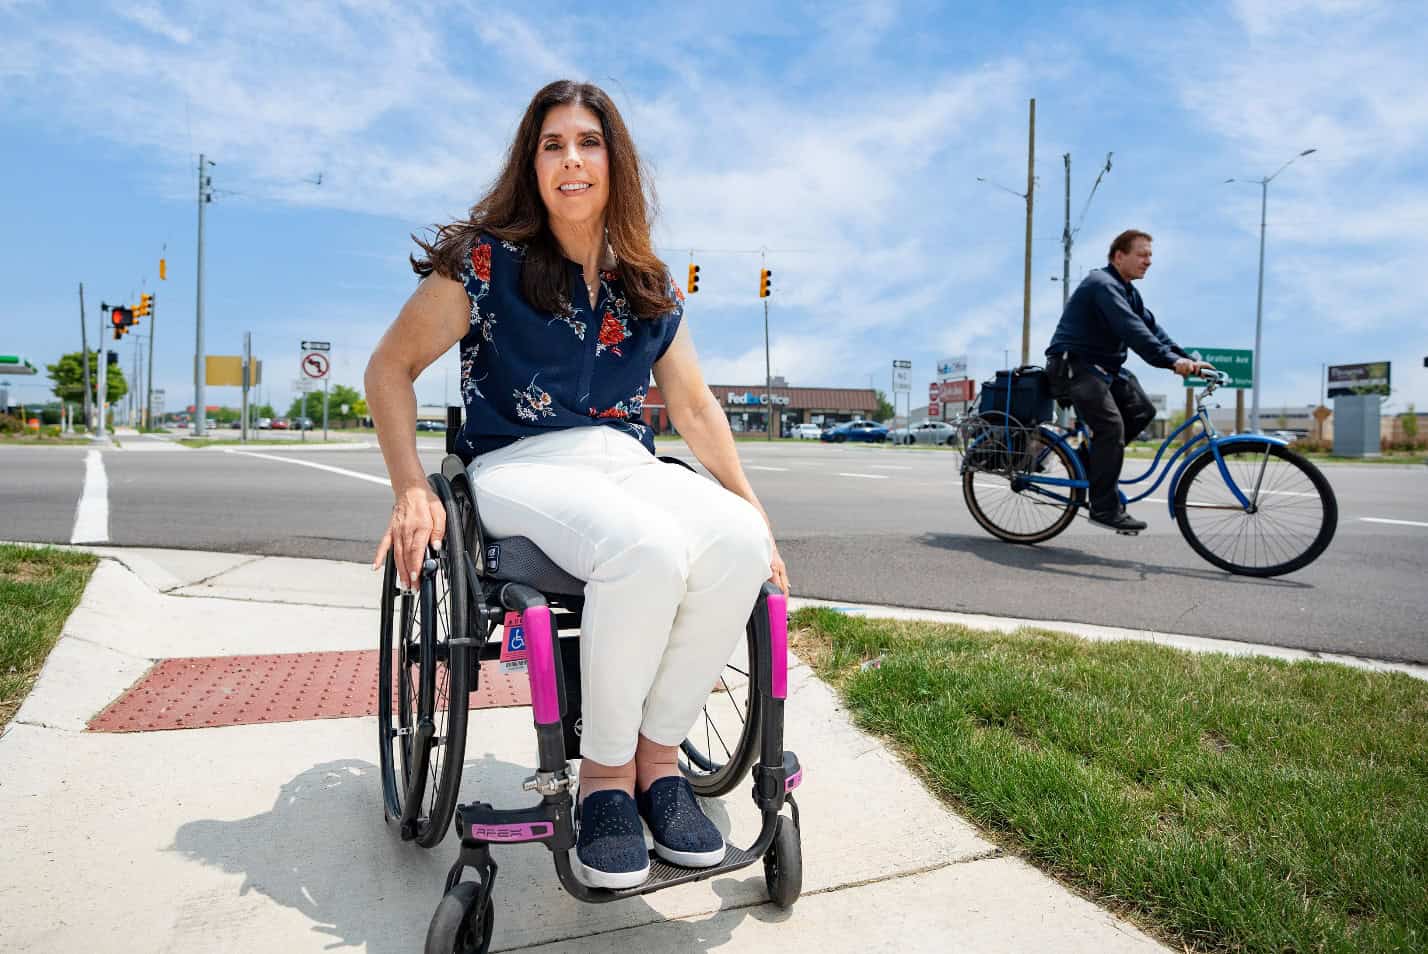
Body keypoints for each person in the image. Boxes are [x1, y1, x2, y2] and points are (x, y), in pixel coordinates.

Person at [364, 80, 788, 891]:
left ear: (613, 161)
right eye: (552, 144)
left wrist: (753, 505)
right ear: (532, 165)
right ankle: (604, 780)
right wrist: (410, 486)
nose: (571, 160)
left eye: (588, 143)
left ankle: (658, 766)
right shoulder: (485, 261)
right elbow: (389, 368)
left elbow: (694, 406)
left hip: (623, 462)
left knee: (735, 541)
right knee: (646, 550)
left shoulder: (647, 282)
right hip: (517, 463)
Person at [1045, 229, 1213, 532]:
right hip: (1075, 366)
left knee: (1142, 411)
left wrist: (1188, 359)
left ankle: (1086, 462)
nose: (1148, 261)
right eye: (1142, 254)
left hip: (1103, 368)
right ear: (1119, 256)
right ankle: (1104, 507)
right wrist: (1170, 362)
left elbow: (1152, 330)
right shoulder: (1102, 284)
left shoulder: (1128, 291)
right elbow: (1131, 329)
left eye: (1150, 255)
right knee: (1111, 428)